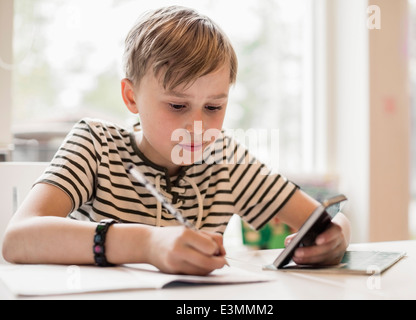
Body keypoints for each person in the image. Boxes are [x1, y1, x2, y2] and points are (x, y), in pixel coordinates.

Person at [2, 6, 351, 276]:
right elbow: (18, 239)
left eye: (214, 106)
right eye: (177, 105)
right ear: (131, 97)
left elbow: (320, 218)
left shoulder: (225, 158)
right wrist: (148, 243)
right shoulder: (96, 145)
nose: (197, 125)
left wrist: (337, 236)